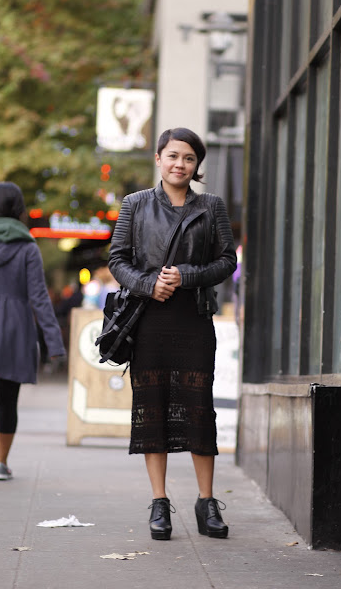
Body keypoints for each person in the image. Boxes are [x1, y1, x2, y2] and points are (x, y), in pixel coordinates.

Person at [108, 127, 237, 540]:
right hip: (150, 322)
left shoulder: (212, 206)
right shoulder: (135, 204)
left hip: (194, 320)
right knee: (154, 409)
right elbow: (118, 259)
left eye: (189, 158)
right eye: (173, 156)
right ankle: (159, 502)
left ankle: (206, 501)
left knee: (200, 408)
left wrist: (187, 276)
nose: (180, 164)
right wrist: (149, 284)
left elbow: (227, 261)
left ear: (197, 165)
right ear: (159, 159)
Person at [0, 182, 65, 488]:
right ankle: (1, 463)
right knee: (7, 400)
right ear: (19, 212)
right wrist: (54, 343)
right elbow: (39, 297)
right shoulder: (27, 246)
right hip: (15, 328)